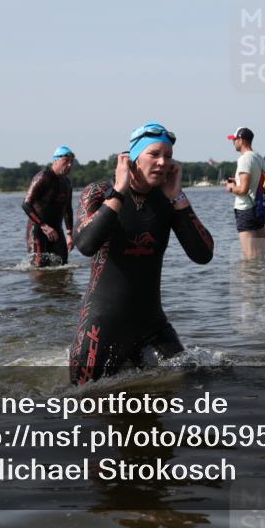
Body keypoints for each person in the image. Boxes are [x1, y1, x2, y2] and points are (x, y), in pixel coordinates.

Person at [69, 122, 214, 384]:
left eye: (168, 156)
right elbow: (85, 244)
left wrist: (178, 197)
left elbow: (203, 255)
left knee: (194, 380)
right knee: (84, 403)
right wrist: (119, 191)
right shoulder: (98, 193)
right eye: (154, 154)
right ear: (132, 158)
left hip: (152, 325)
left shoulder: (168, 200)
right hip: (101, 326)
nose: (163, 162)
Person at [23, 146, 76, 267]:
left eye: (71, 162)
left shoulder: (67, 183)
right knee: (39, 268)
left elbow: (68, 209)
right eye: (66, 161)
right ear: (56, 160)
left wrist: (69, 235)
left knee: (63, 267)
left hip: (56, 230)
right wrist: (44, 226)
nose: (69, 165)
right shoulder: (42, 177)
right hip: (38, 229)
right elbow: (26, 204)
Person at [225, 126, 265, 259]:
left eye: (234, 139)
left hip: (246, 210)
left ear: (241, 140)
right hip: (260, 209)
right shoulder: (260, 158)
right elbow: (260, 183)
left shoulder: (244, 159)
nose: (233, 142)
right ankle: (263, 278)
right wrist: (237, 180)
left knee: (250, 257)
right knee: (261, 253)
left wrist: (231, 187)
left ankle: (251, 279)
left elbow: (243, 190)